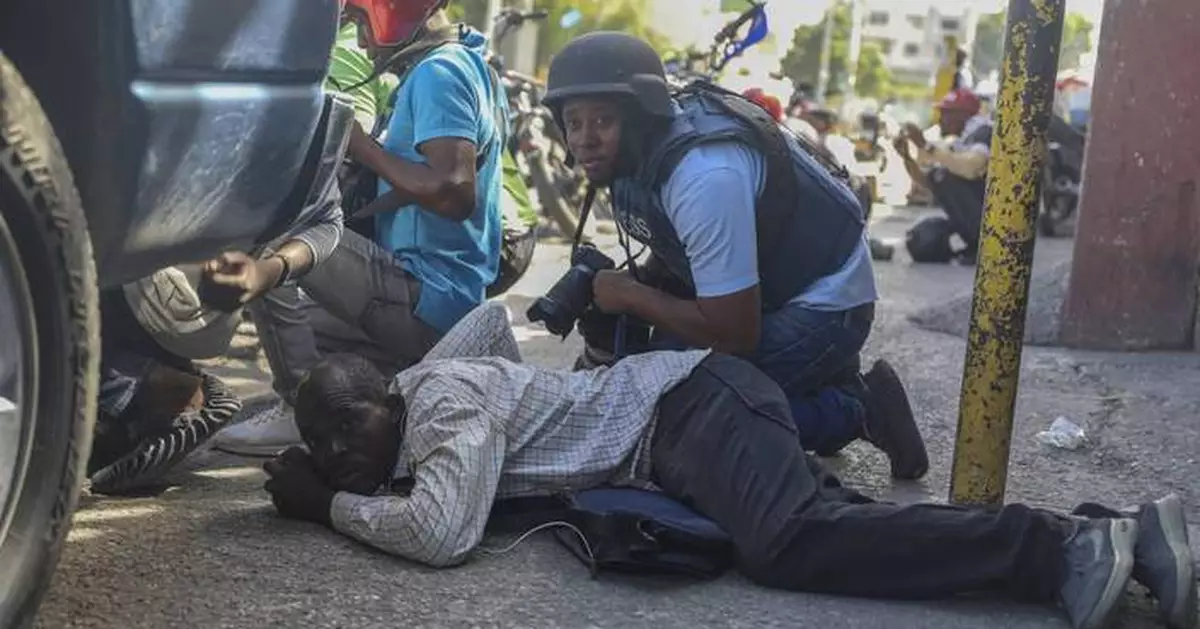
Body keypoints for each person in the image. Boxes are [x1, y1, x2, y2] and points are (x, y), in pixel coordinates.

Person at [262, 303, 1197, 629]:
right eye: (327, 440)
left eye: (350, 422)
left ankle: (1060, 549)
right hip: (690, 422)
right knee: (837, 531)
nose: (343, 448)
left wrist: (325, 506)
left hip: (693, 408)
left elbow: (441, 531)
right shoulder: (425, 379)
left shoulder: (442, 402)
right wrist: (315, 443)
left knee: (789, 542)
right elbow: (490, 326)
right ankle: (1120, 536)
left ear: (391, 391)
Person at [537, 32, 927, 478]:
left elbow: (735, 333)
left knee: (678, 420)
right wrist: (637, 288)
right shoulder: (634, 157)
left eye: (602, 120)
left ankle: (857, 408)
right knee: (649, 374)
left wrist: (630, 297)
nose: (585, 139)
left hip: (824, 305)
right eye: (574, 122)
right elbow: (676, 246)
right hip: (769, 290)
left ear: (641, 115)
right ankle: (817, 383)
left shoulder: (704, 176)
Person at [213, 0, 508, 455]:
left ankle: (298, 410)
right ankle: (341, 397)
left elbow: (453, 192)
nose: (362, 39)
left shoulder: (439, 73)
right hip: (442, 303)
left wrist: (357, 143)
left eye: (360, 21)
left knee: (275, 234)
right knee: (299, 331)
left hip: (424, 296)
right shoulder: (465, 64)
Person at [893, 87, 992, 264]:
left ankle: (983, 246)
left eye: (946, 114)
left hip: (992, 216)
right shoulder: (961, 140)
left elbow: (971, 167)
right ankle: (973, 244)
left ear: (962, 115)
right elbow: (927, 182)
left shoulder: (984, 132)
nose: (940, 120)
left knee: (945, 176)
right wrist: (906, 157)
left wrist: (925, 145)